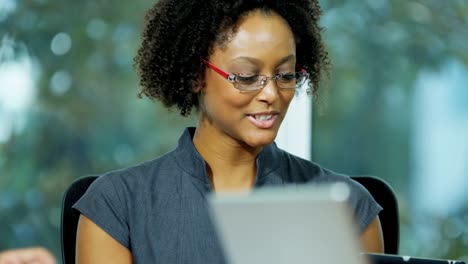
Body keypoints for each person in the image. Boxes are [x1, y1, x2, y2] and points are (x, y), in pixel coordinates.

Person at [74, 0, 384, 263]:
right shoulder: (116, 206)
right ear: (197, 76)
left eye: (285, 75)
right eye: (247, 76)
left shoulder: (350, 210)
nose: (271, 94)